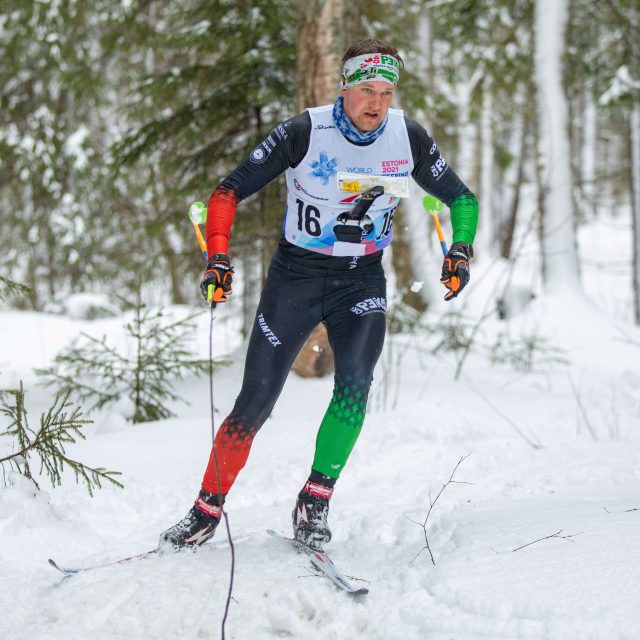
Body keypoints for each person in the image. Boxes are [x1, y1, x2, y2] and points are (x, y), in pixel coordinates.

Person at [160, 38, 478, 551]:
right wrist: (217, 255)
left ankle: (315, 500)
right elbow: (227, 190)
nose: (376, 103)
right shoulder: (306, 131)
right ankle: (205, 510)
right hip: (297, 278)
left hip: (362, 279)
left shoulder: (407, 136)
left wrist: (459, 248)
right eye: (367, 89)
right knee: (256, 400)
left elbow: (461, 198)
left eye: (387, 91)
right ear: (345, 87)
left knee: (354, 386)